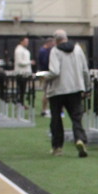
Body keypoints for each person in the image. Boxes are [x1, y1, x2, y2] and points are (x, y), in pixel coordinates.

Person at [45, 29, 90, 157]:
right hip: (75, 88)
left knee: (56, 119)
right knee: (76, 118)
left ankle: (57, 147)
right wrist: (87, 88)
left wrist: (44, 77)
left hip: (57, 90)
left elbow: (54, 71)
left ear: (55, 40)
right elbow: (85, 70)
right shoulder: (78, 49)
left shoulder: (55, 51)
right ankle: (80, 139)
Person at [13, 36, 33, 108]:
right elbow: (20, 62)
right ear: (21, 41)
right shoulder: (19, 50)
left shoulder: (25, 50)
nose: (27, 43)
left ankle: (21, 103)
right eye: (25, 41)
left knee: (23, 90)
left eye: (27, 41)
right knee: (20, 89)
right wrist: (29, 62)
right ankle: (19, 103)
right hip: (21, 73)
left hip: (26, 73)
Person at [37, 38, 53, 117]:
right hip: (46, 73)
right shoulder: (43, 51)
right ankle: (44, 110)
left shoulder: (46, 50)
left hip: (46, 73)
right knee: (47, 92)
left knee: (47, 92)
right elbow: (45, 62)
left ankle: (46, 109)